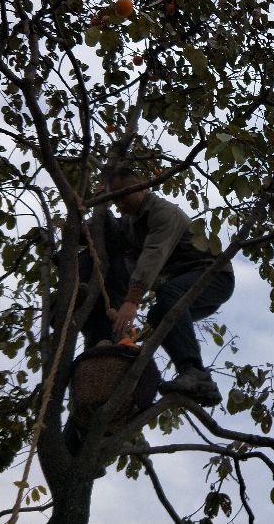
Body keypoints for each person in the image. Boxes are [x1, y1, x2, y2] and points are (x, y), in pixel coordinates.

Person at [80, 167, 234, 407]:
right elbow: (113, 234)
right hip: (183, 284)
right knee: (157, 315)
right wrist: (101, 206)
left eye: (122, 195)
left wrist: (132, 300)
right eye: (115, 198)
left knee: (168, 293)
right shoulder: (132, 221)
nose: (120, 202)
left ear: (141, 187)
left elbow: (154, 254)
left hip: (212, 277)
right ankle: (196, 378)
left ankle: (193, 372)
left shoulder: (163, 213)